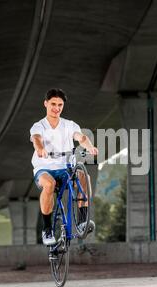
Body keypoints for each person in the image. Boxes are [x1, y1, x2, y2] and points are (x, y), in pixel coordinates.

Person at [30, 88, 98, 246]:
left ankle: (82, 221)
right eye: (53, 104)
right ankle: (47, 229)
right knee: (49, 184)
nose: (56, 108)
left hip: (65, 167)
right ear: (46, 104)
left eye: (60, 105)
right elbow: (36, 139)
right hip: (44, 167)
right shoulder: (38, 125)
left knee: (84, 177)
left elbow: (81, 137)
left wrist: (89, 146)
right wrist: (40, 149)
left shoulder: (69, 125)